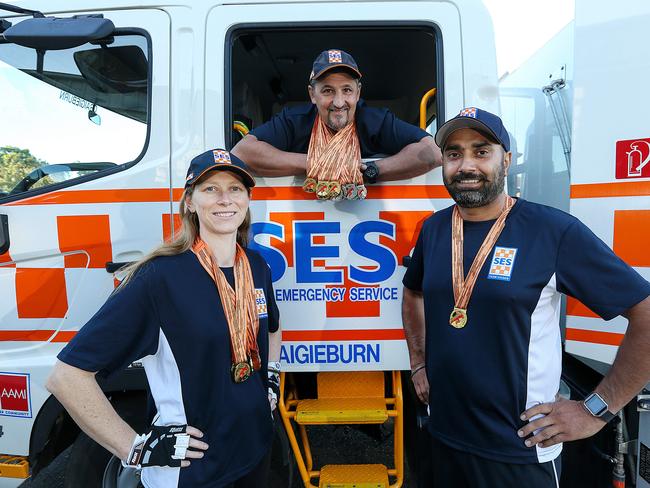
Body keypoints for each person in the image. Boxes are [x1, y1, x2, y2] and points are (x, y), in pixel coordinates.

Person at [401, 107, 650, 487]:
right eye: (454, 153)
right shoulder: (434, 229)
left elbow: (645, 313)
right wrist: (418, 363)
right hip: (444, 438)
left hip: (520, 451)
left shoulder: (552, 231)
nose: (466, 164)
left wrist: (596, 410)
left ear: (507, 159)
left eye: (481, 151)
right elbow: (413, 292)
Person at [46, 149, 282, 488]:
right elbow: (67, 377)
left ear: (247, 200)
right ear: (189, 201)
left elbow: (273, 327)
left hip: (254, 450)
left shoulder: (256, 266)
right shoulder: (159, 278)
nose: (224, 199)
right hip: (194, 470)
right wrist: (136, 449)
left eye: (235, 189)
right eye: (210, 189)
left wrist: (270, 377)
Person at [231, 48, 441, 188]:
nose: (339, 102)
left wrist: (372, 170)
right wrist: (317, 163)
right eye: (328, 91)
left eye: (347, 90)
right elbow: (242, 152)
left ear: (358, 93)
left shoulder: (375, 120)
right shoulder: (295, 120)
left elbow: (433, 151)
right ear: (313, 95)